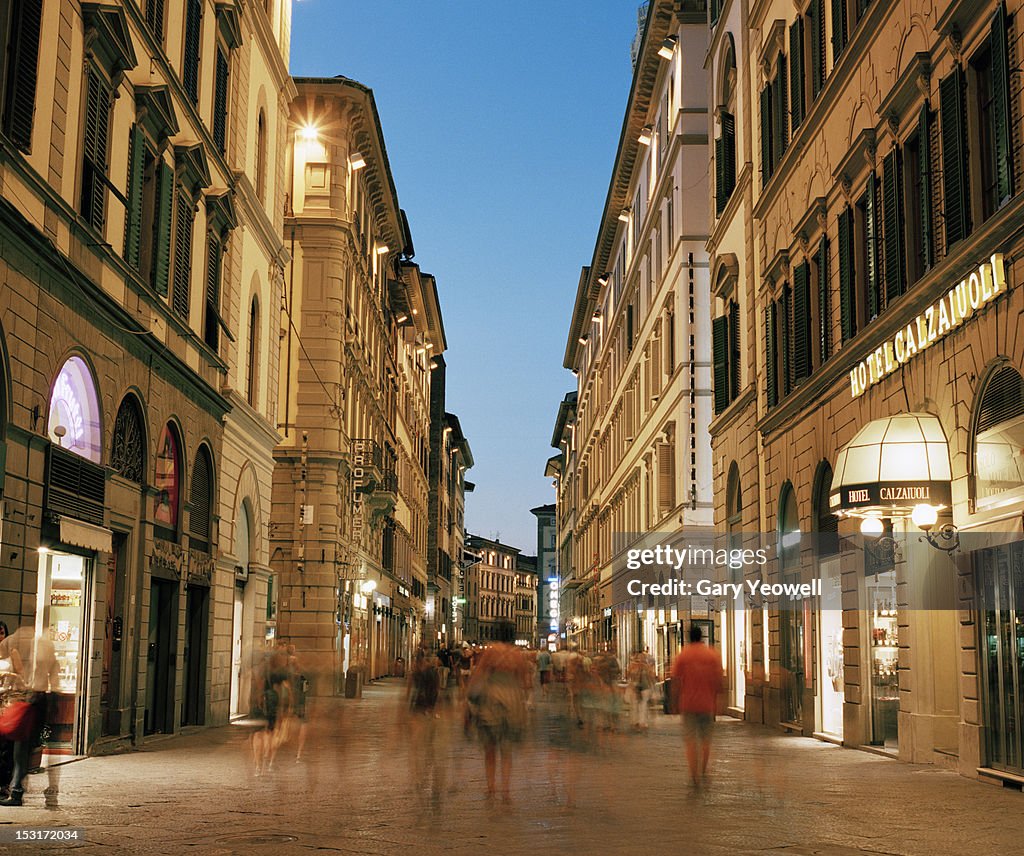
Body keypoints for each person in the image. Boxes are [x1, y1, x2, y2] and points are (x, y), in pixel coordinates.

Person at [0, 627, 59, 806]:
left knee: (20, 748)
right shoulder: (46, 645)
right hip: (40, 699)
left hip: (22, 700)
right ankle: (44, 790)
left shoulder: (11, 642)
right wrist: (55, 697)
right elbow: (54, 672)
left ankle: (16, 790)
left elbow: (15, 673)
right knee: (26, 747)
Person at [465, 643, 529, 801]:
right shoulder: (517, 655)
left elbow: (478, 676)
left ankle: (491, 788)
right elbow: (525, 682)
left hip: (491, 700)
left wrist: (468, 700)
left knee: (490, 748)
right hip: (512, 702)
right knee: (506, 750)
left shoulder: (491, 653)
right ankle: (506, 789)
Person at [670, 625, 723, 789]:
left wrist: (673, 702)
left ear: (689, 637)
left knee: (691, 741)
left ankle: (694, 776)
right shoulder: (712, 655)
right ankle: (704, 770)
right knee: (706, 740)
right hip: (707, 704)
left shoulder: (683, 655)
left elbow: (675, 682)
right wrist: (718, 702)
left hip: (688, 704)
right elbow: (719, 681)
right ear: (701, 637)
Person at [627, 649, 656, 731]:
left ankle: (636, 721)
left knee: (636, 705)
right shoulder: (645, 666)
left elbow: (628, 675)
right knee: (642, 705)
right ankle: (641, 722)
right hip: (644, 687)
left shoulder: (633, 666)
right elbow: (651, 676)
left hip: (638, 687)